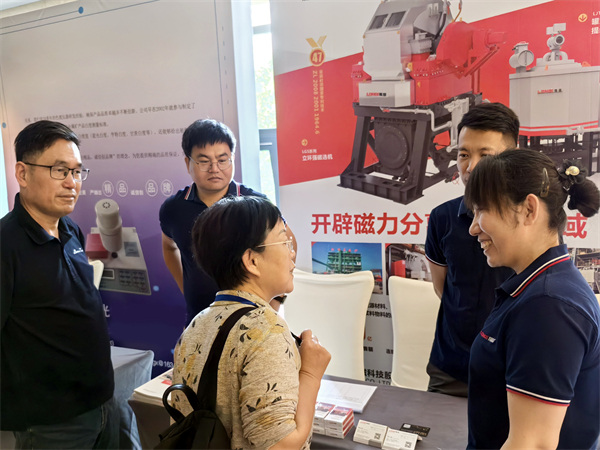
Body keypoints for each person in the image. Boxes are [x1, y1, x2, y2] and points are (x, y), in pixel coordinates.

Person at [465, 150, 600, 449]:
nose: (473, 228)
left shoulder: (549, 307)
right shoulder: (540, 288)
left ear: (528, 209)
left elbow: (532, 444)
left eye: (482, 210)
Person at [172, 196, 331, 449]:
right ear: (252, 261)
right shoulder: (267, 330)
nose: (292, 253)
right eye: (285, 242)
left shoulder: (196, 324)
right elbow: (281, 446)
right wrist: (311, 374)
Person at [1, 120, 116, 449]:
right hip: (51, 423)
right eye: (59, 170)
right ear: (22, 173)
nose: (72, 183)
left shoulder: (70, 229)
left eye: (77, 172)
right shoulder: (6, 246)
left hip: (102, 404)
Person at [424, 102, 519, 396]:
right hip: (450, 368)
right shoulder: (442, 218)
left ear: (512, 157)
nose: (471, 166)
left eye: (485, 155)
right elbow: (442, 288)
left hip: (511, 370)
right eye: (464, 154)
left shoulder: (529, 221)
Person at [159, 119, 293, 325]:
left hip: (251, 320)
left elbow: (288, 245)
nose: (214, 168)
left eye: (223, 160)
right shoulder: (174, 208)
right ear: (188, 163)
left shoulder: (256, 205)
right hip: (199, 319)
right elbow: (169, 247)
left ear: (232, 159)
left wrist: (275, 300)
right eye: (204, 161)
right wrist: (186, 288)